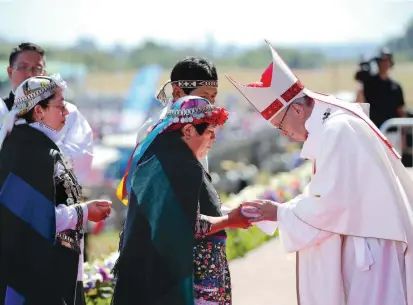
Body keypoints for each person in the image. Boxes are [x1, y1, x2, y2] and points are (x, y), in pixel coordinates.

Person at [227, 40, 413, 305]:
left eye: (281, 125)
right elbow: (329, 196)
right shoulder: (333, 125)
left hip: (371, 252)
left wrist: (279, 212)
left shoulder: (337, 130)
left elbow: (330, 205)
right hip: (369, 241)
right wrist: (280, 212)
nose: (285, 135)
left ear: (298, 109)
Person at [111, 96, 250, 305]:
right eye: (210, 132)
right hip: (173, 281)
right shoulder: (182, 166)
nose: (213, 140)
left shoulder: (158, 157)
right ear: (188, 131)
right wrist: (231, 220)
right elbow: (189, 225)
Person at [0, 75, 111, 305]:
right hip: (31, 276)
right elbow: (32, 219)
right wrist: (84, 212)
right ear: (39, 111)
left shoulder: (39, 148)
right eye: (60, 106)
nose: (66, 112)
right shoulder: (29, 152)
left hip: (48, 268)